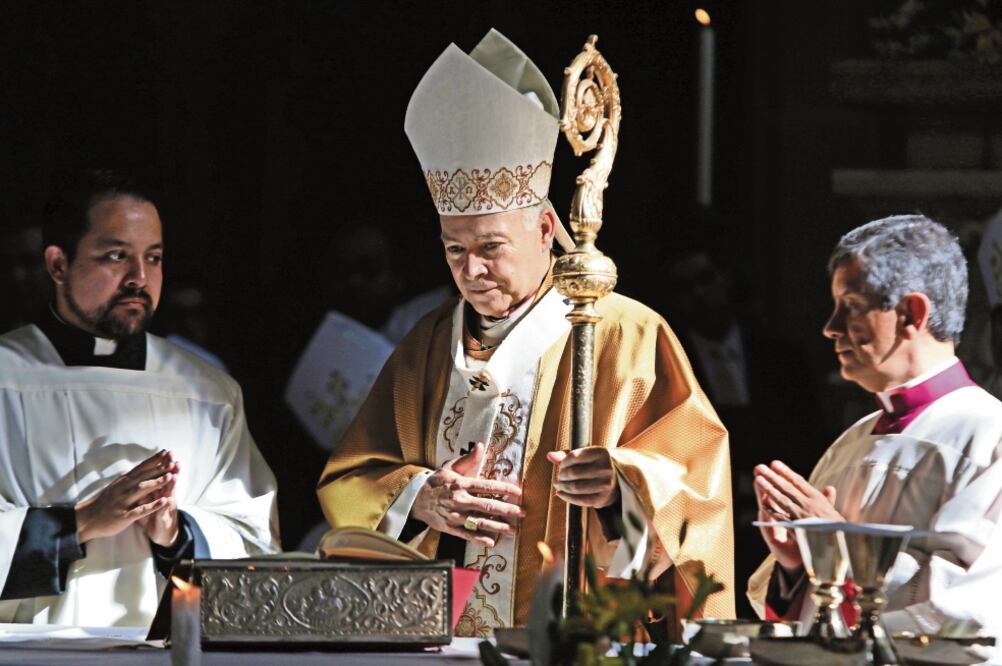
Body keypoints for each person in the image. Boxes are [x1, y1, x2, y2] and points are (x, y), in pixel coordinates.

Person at [317, 29, 734, 637]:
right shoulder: (426, 344)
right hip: (441, 634)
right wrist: (419, 496)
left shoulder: (624, 334)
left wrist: (620, 487)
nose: (472, 269)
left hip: (580, 629)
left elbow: (698, 489)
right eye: (454, 249)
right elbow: (353, 476)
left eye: (491, 246)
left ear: (544, 228)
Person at [0, 170, 279, 627]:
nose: (139, 278)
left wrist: (176, 532)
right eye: (116, 256)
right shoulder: (7, 379)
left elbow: (256, 541)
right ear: (57, 265)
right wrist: (82, 523)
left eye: (154, 258)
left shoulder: (207, 393)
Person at [748, 215, 1002, 646]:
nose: (830, 327)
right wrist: (798, 565)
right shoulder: (853, 440)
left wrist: (841, 551)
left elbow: (976, 610)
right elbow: (800, 611)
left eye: (850, 307)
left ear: (911, 313)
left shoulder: (988, 435)